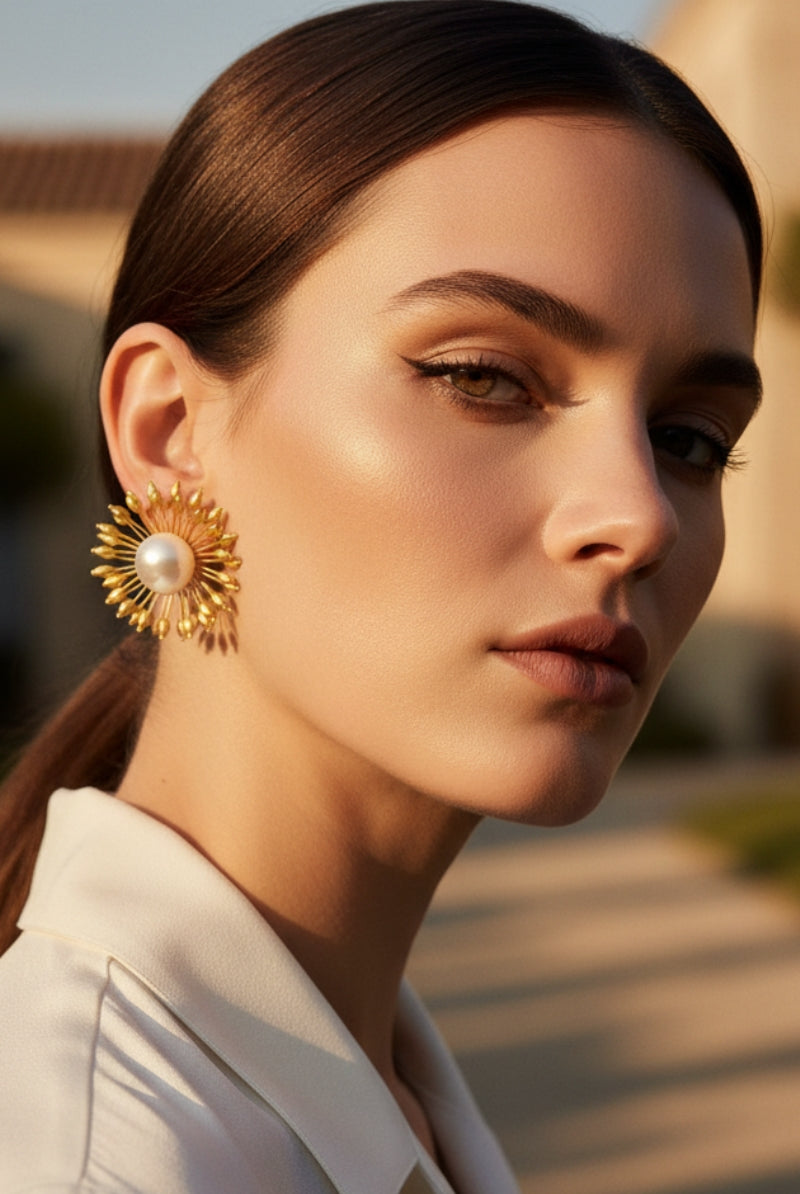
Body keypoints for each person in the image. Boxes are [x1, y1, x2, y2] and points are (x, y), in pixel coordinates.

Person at [0, 2, 763, 1191]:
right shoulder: (93, 1156)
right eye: (482, 378)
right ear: (168, 432)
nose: (638, 516)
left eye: (688, 439)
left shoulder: (370, 1082)